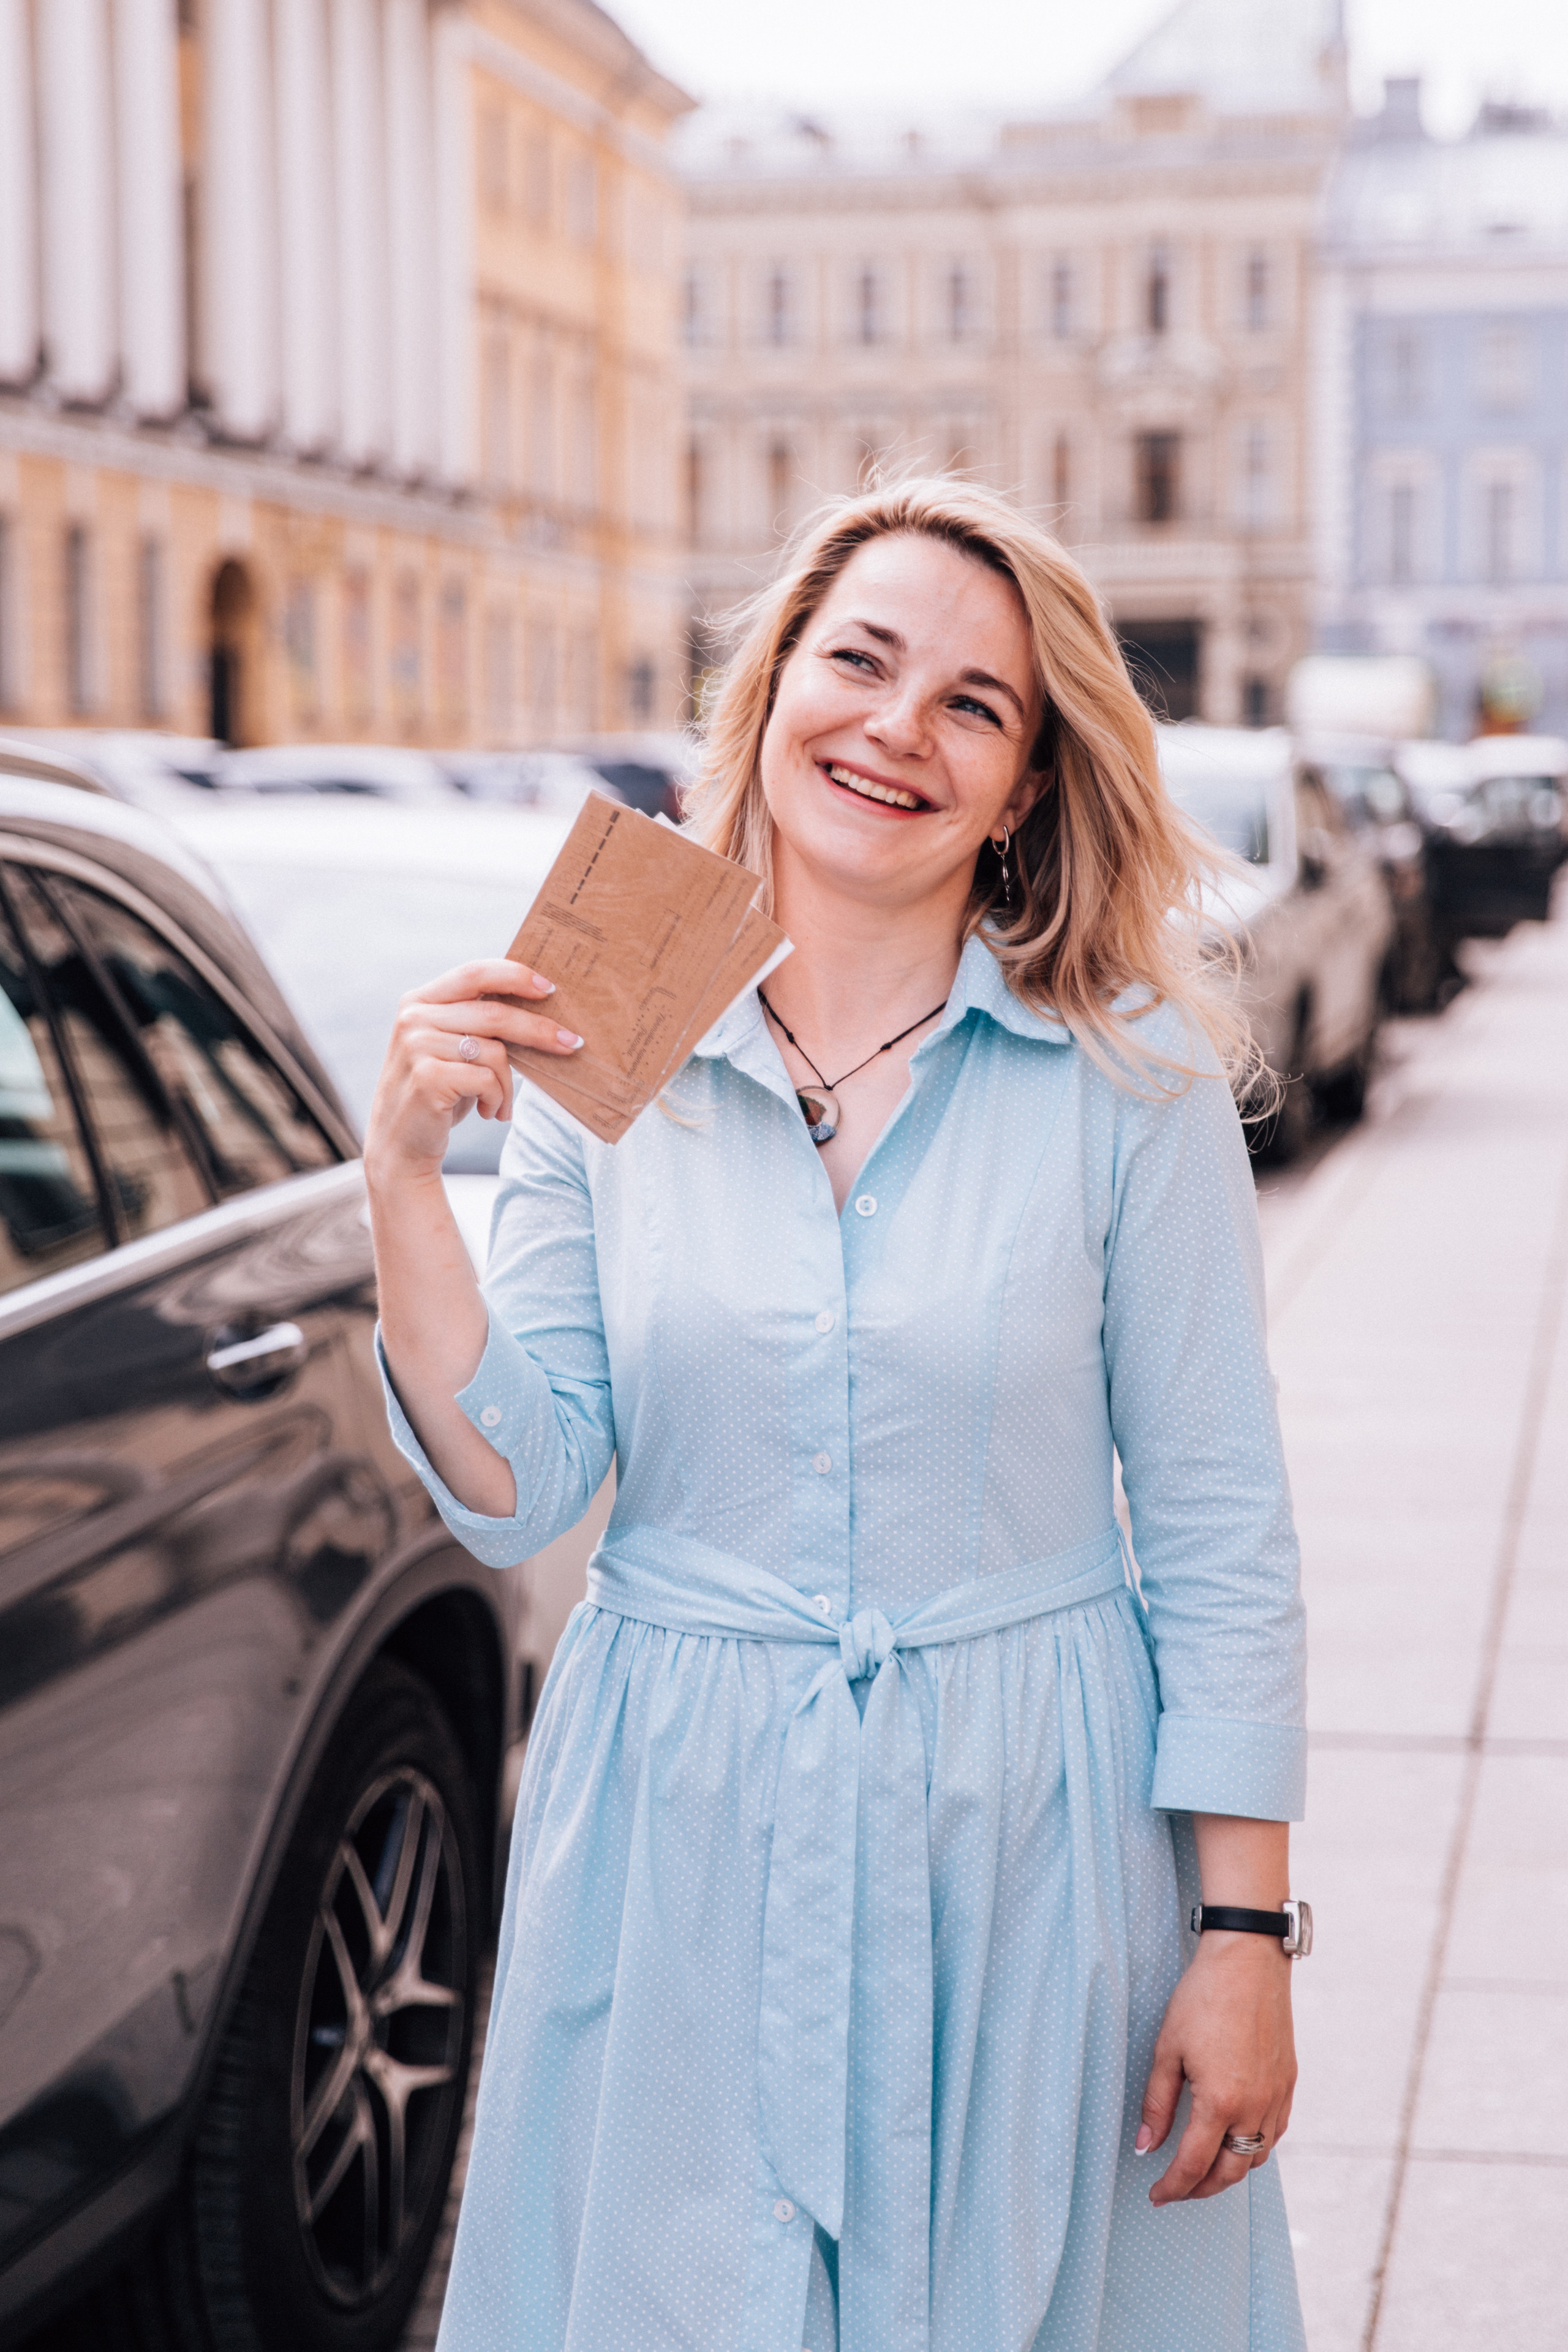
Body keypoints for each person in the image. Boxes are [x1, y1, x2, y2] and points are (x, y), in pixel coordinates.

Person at [368, 478, 1308, 2352]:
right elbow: (520, 1482)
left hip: (1028, 1833)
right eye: (858, 660)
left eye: (975, 704)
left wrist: (1245, 1939)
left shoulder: (1128, 1077)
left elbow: (1219, 1523)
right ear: (773, 685)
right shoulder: (602, 1025)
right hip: (680, 1829)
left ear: (1030, 784)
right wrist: (405, 1176)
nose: (897, 726)